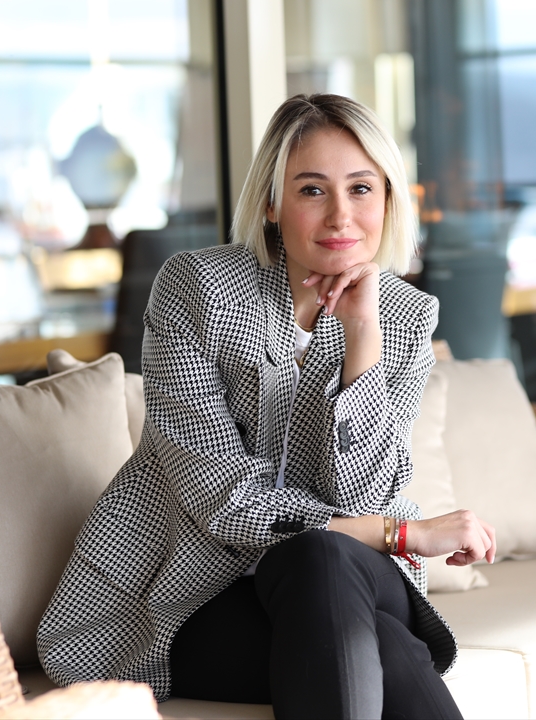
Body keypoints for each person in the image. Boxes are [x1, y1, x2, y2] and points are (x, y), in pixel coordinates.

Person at [38, 94, 496, 719]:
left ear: (388, 201)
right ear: (273, 204)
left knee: (323, 561)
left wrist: (363, 336)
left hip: (345, 574)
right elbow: (224, 502)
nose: (341, 215)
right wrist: (403, 534)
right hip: (196, 593)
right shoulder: (199, 289)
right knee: (377, 637)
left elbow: (359, 500)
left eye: (361, 188)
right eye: (313, 190)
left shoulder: (405, 317)